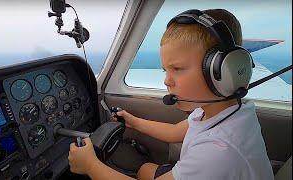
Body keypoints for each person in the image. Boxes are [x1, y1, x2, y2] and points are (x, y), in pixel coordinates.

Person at [68, 9, 274, 180]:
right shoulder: (218, 110)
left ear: (221, 71)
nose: (167, 80)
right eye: (165, 70)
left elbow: (208, 151)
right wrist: (134, 122)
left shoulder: (219, 151)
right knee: (145, 169)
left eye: (177, 68)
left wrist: (91, 166)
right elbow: (175, 132)